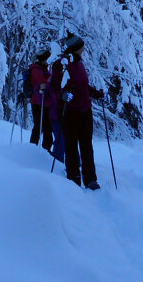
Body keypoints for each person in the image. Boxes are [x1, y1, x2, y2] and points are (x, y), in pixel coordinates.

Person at [61, 33, 104, 190]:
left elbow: (82, 85)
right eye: (82, 46)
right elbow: (57, 86)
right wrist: (64, 95)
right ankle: (73, 178)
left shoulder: (79, 64)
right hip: (71, 112)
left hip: (85, 111)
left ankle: (90, 179)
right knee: (71, 146)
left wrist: (93, 93)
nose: (84, 48)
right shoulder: (64, 64)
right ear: (76, 48)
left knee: (86, 146)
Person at [28, 48, 54, 152]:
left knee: (46, 126)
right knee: (40, 126)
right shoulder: (36, 69)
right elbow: (42, 83)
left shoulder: (42, 69)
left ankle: (44, 149)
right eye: (46, 59)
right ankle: (34, 148)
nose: (47, 61)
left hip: (44, 101)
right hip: (39, 102)